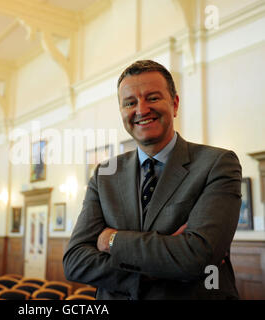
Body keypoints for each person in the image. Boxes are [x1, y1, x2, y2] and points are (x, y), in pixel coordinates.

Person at [62, 60, 242, 300]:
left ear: (174, 104)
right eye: (130, 103)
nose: (141, 110)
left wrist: (112, 240)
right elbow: (75, 261)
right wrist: (150, 271)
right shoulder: (105, 173)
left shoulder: (217, 163)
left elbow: (198, 257)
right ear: (122, 112)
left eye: (153, 98)